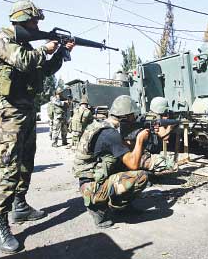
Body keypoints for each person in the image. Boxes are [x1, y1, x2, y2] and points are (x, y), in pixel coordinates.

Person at [0, 0, 75, 254]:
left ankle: (20, 205)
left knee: (26, 161)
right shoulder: (2, 38)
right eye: (35, 22)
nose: (37, 26)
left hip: (26, 109)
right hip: (10, 110)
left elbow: (45, 71)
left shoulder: (25, 45)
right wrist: (46, 48)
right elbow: (24, 61)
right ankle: (0, 223)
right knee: (9, 165)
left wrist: (60, 52)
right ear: (22, 20)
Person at [73, 95, 175, 229]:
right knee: (141, 176)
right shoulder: (110, 134)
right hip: (92, 186)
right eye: (133, 115)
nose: (136, 118)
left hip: (91, 177)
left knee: (124, 164)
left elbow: (120, 146)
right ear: (126, 116)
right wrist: (139, 139)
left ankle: (120, 206)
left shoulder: (100, 125)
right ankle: (98, 209)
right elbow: (133, 163)